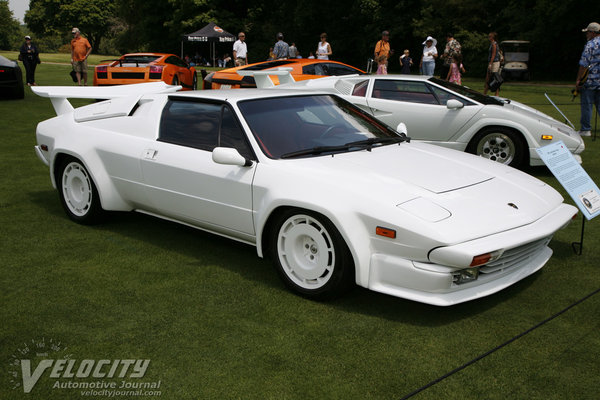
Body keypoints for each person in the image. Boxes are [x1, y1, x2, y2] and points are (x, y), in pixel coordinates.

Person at [576, 22, 600, 137]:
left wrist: (579, 80)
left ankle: (586, 129)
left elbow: (584, 64)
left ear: (592, 32)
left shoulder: (590, 45)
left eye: (588, 32)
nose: (587, 35)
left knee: (587, 105)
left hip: (589, 81)